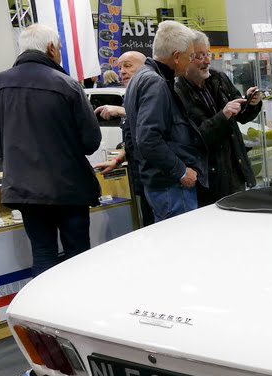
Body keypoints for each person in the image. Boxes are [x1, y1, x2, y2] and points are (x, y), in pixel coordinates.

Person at [0, 24, 101, 277]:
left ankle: (41, 312)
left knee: (42, 253)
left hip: (24, 189)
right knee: (78, 257)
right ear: (51, 48)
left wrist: (14, 156)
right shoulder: (68, 85)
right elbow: (91, 141)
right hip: (70, 188)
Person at [123, 21, 207, 222]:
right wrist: (180, 171)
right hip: (171, 187)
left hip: (160, 183)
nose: (192, 60)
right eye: (191, 56)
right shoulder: (155, 82)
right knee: (181, 245)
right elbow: (148, 138)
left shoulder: (141, 77)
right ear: (177, 56)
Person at [175, 30, 262, 204]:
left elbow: (242, 116)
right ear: (185, 58)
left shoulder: (219, 79)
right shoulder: (178, 92)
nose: (207, 61)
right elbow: (194, 139)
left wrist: (252, 103)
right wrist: (223, 116)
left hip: (235, 171)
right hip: (208, 180)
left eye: (208, 54)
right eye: (200, 56)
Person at [91, 52, 154, 225]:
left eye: (127, 66)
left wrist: (123, 111)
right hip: (142, 181)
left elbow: (154, 128)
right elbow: (134, 141)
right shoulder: (130, 97)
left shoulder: (155, 90)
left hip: (159, 183)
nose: (122, 72)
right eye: (119, 67)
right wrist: (118, 159)